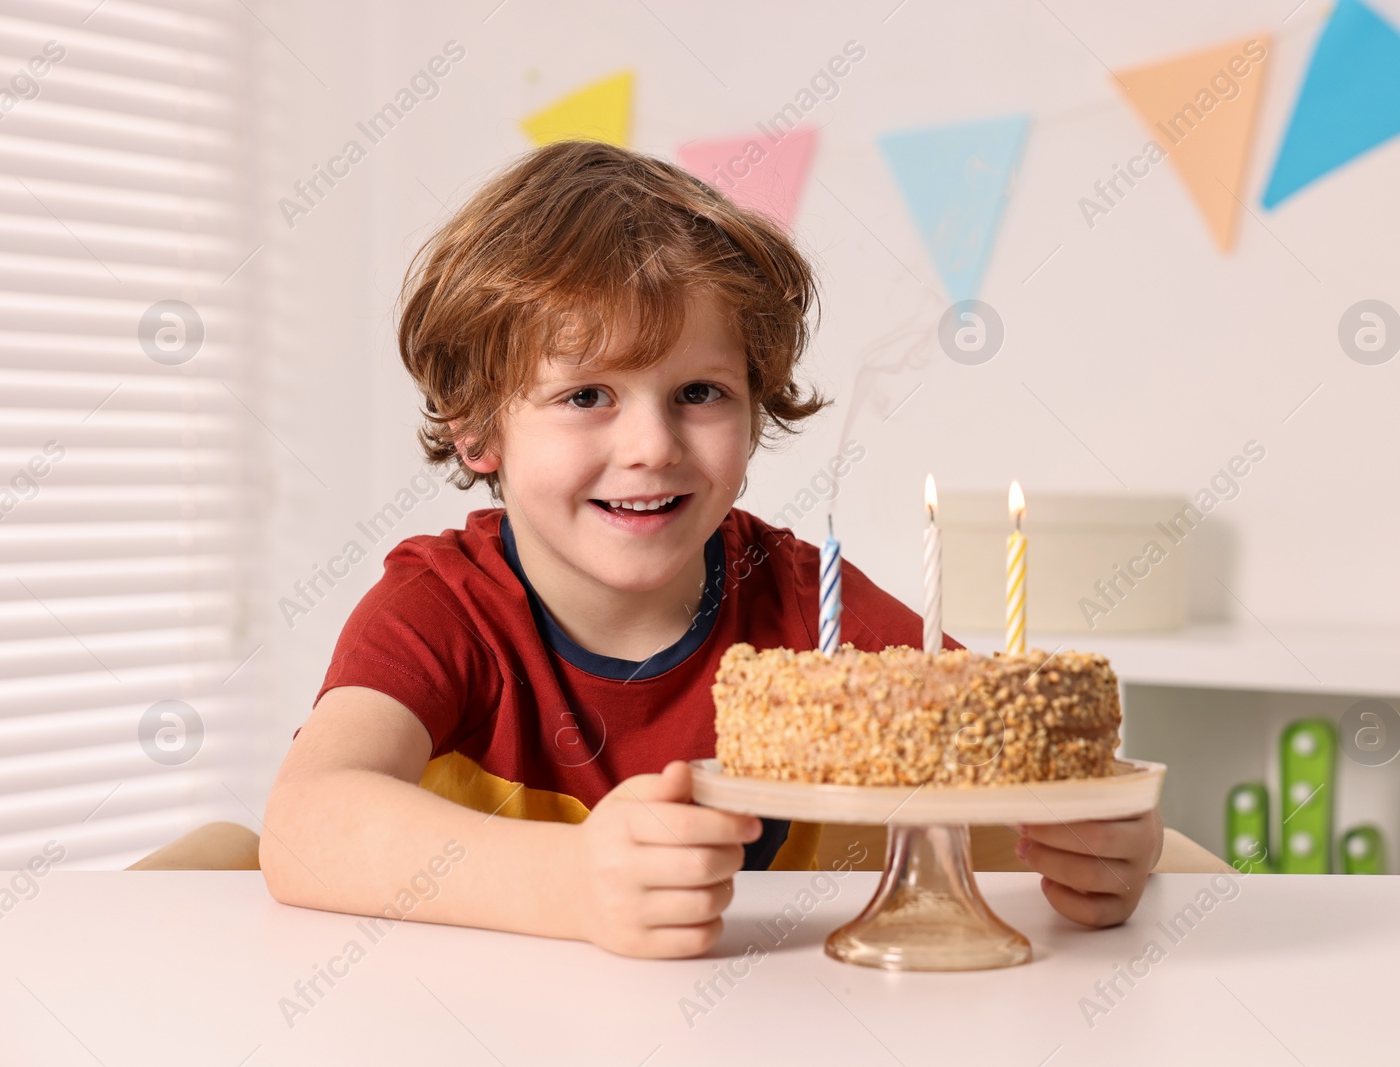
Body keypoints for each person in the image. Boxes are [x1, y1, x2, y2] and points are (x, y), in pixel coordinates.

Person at [259, 139, 1165, 959]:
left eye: (699, 390)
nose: (652, 444)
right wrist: (573, 884)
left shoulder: (811, 607)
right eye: (587, 397)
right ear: (474, 427)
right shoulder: (443, 607)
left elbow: (1000, 757)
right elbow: (304, 823)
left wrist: (1109, 842)